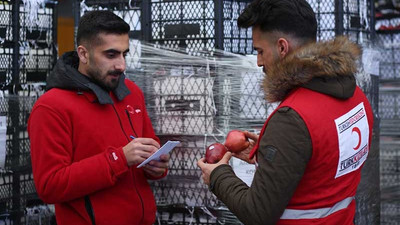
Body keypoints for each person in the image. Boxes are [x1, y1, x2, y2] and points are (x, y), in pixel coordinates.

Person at [197, 0, 374, 224]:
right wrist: (278, 153)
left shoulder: (292, 119)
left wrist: (217, 176)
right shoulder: (356, 96)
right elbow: (326, 156)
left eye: (260, 51)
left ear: (282, 47)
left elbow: (257, 213)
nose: (259, 61)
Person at [28, 11, 169, 225]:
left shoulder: (131, 92)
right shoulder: (51, 107)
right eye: (111, 55)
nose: (121, 65)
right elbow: (50, 186)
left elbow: (148, 152)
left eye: (124, 54)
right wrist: (119, 159)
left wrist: (156, 166)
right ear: (83, 54)